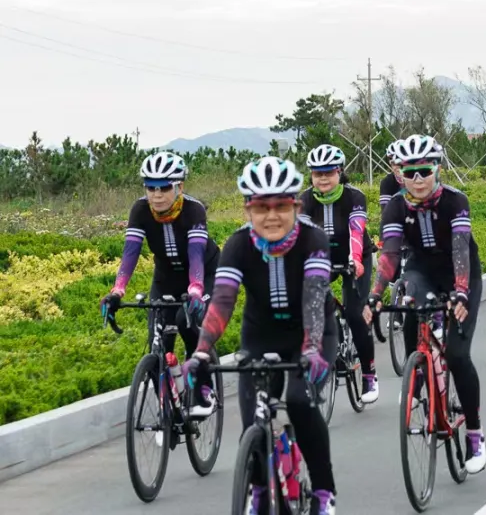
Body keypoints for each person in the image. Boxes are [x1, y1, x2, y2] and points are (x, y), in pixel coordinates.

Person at [185, 157, 338, 514]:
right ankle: (257, 492)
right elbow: (222, 302)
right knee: (253, 420)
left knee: (300, 403)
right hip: (260, 335)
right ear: (247, 209)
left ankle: (323, 492)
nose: (272, 215)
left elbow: (315, 301)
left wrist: (312, 349)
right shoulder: (238, 245)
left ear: (295, 206)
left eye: (281, 205)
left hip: (312, 333)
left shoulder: (313, 239)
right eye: (261, 207)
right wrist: (203, 350)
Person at [364, 134, 486, 474]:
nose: (417, 179)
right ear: (400, 174)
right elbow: (390, 256)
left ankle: (474, 432)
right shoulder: (395, 205)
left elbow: (461, 248)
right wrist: (375, 294)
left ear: (437, 169)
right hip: (421, 270)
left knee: (458, 355)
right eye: (410, 172)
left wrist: (461, 291)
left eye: (424, 171)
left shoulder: (455, 201)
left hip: (460, 274)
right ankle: (417, 370)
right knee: (406, 299)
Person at [100, 152, 220, 417]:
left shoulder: (193, 210)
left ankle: (204, 389)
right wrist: (117, 291)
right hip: (165, 277)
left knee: (187, 322)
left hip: (204, 272)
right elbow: (130, 253)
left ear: (180, 187)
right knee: (158, 340)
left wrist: (196, 290)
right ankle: (169, 405)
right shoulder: (140, 210)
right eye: (150, 187)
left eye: (164, 187)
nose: (157, 194)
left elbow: (196, 256)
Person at [300, 144, 379, 404]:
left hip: (354, 258)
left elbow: (356, 230)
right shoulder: (306, 200)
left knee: (355, 314)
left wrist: (355, 260)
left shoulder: (354, 197)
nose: (322, 178)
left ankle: (368, 373)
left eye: (328, 172)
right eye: (317, 173)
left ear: (340, 172)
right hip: (323, 259)